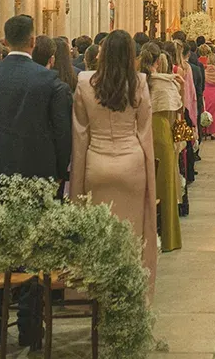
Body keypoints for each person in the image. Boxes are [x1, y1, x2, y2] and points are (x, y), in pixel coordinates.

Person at [0, 15, 72, 346]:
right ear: (33, 41)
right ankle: (30, 330)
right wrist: (57, 173)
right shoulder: (49, 80)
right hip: (39, 177)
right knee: (34, 249)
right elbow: (62, 136)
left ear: (6, 42)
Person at [70, 29, 157, 295]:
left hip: (97, 164)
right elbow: (144, 132)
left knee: (99, 235)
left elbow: (80, 135)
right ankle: (129, 295)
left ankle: (99, 295)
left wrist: (77, 181)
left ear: (102, 53)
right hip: (131, 165)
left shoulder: (85, 82)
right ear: (132, 55)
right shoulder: (140, 83)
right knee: (132, 233)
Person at [140, 44, 183, 252]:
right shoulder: (166, 84)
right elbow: (176, 114)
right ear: (158, 62)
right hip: (161, 136)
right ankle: (167, 238)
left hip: (139, 136)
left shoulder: (137, 82)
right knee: (164, 185)